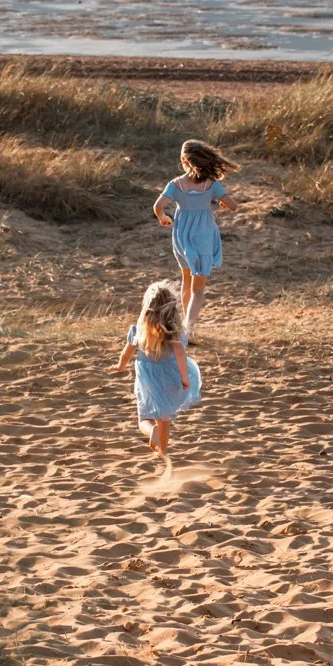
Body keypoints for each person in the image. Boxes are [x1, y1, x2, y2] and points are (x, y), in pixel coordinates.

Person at [153, 139, 239, 342]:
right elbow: (233, 206)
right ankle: (188, 330)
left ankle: (183, 326)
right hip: (203, 236)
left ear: (184, 160)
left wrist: (163, 218)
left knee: (187, 278)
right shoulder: (212, 184)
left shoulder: (175, 184)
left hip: (181, 236)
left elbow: (158, 206)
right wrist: (220, 201)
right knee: (198, 288)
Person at [109, 280, 201, 457]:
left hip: (148, 379)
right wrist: (184, 378)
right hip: (170, 375)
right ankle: (162, 451)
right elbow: (181, 353)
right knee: (164, 418)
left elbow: (127, 353)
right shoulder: (176, 332)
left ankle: (151, 431)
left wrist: (120, 366)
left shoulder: (138, 331)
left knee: (144, 418)